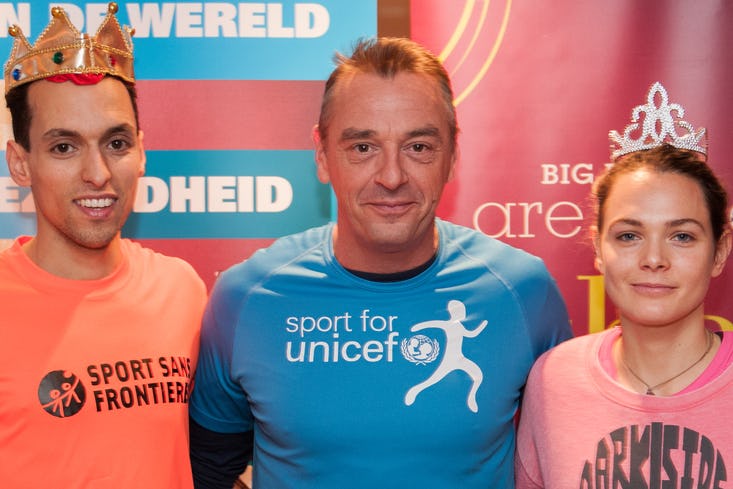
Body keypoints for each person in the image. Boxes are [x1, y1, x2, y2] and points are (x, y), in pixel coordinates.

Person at [189, 36, 572, 488]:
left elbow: (564, 462)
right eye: (363, 148)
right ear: (322, 156)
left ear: (452, 156)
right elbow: (209, 469)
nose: (391, 177)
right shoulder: (246, 298)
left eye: (418, 147)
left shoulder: (523, 292)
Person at [0, 3, 207, 488]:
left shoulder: (182, 290)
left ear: (142, 151)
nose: (97, 174)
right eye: (64, 147)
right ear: (21, 163)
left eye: (116, 144)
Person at [515, 82, 733, 487]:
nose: (654, 259)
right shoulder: (553, 380)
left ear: (719, 251)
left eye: (682, 236)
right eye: (629, 235)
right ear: (599, 248)